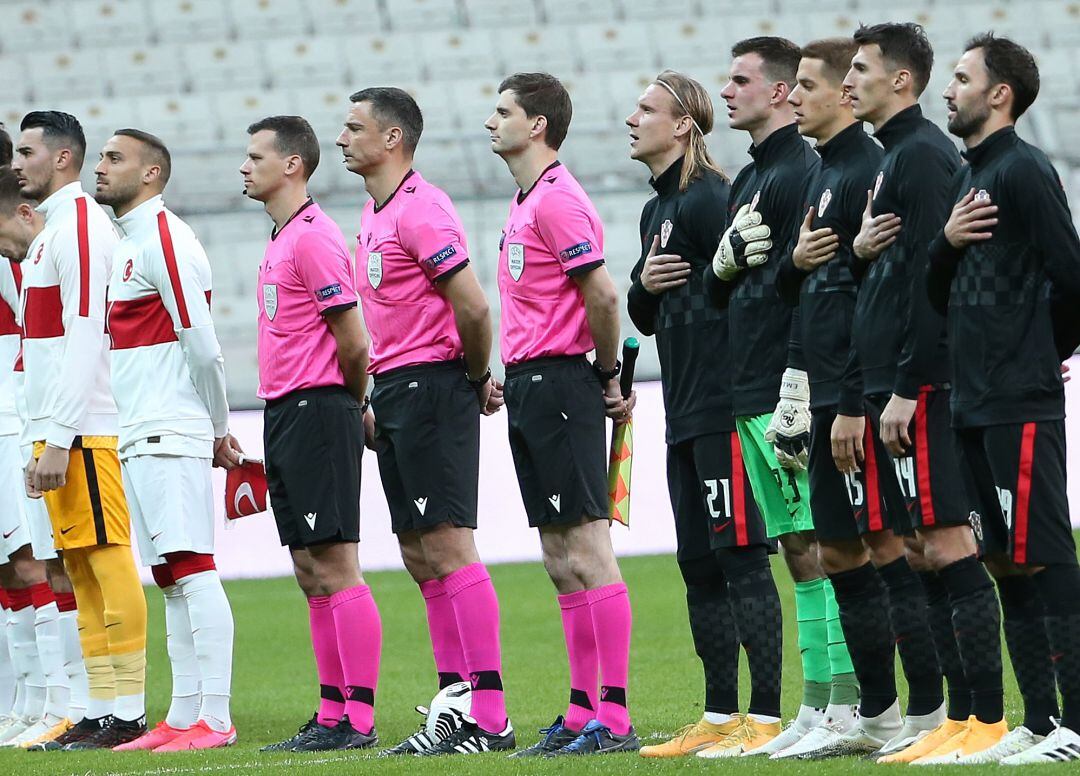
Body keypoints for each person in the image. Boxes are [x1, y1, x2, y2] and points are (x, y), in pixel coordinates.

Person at [769, 38, 947, 758]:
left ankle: (929, 710)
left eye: (807, 85)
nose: (796, 97)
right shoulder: (826, 175)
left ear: (845, 93)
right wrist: (798, 261)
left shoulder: (872, 167)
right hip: (826, 392)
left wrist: (849, 400)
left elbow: (879, 298)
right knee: (840, 549)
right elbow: (807, 286)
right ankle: (876, 712)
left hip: (859, 395)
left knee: (886, 543)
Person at [841, 22, 1008, 763]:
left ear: (900, 79)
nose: (848, 82)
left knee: (946, 541)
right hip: (892, 385)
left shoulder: (923, 157)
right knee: (916, 547)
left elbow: (936, 284)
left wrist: (910, 385)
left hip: (925, 387)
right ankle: (953, 718)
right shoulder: (891, 159)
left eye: (859, 69)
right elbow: (892, 278)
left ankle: (985, 718)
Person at [337, 87, 511, 756]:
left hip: (434, 387)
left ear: (392, 140)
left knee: (449, 545)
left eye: (356, 127)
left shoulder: (422, 209)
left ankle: (489, 716)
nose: (344, 137)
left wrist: (472, 380)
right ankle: (455, 702)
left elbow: (472, 308)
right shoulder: (373, 212)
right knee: (417, 552)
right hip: (398, 389)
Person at [926, 33, 1080, 764]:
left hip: (1019, 397)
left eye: (960, 79)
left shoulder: (1023, 169)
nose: (947, 90)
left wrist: (1042, 352)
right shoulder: (967, 178)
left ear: (1000, 95)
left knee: (1046, 556)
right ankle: (1041, 720)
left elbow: (1072, 274)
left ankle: (1077, 719)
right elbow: (936, 292)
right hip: (971, 400)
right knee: (1005, 562)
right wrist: (946, 243)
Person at [704, 36, 857, 756]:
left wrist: (801, 380)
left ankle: (846, 705)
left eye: (740, 80)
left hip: (783, 385)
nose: (726, 92)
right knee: (796, 548)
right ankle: (817, 705)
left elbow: (815, 285)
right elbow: (717, 291)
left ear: (780, 92)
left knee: (819, 544)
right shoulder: (747, 179)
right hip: (748, 383)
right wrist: (721, 266)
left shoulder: (804, 169)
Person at [623, 70, 781, 760]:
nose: (633, 119)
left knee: (741, 559)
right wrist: (641, 284)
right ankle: (718, 715)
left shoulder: (710, 199)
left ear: (682, 124)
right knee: (698, 564)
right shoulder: (655, 212)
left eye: (646, 109)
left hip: (724, 407)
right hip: (683, 409)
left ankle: (767, 717)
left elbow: (751, 290)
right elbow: (646, 316)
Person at [485, 72, 637, 756]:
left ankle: (618, 715)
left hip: (563, 382)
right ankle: (581, 711)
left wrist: (603, 375)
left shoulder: (558, 200)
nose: (493, 123)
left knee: (588, 547)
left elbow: (603, 298)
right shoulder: (527, 201)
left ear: (537, 124)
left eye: (504, 112)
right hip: (530, 384)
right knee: (556, 553)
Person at [94, 129, 238, 751]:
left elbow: (201, 342)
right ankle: (183, 716)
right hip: (139, 430)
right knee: (170, 576)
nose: (100, 167)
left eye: (114, 159)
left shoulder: (166, 238)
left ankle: (218, 717)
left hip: (169, 426)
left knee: (195, 570)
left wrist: (219, 427)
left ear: (152, 174)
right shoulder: (132, 243)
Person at [241, 115, 381, 752]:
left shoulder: (314, 238)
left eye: (256, 156)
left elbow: (353, 341)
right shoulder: (281, 237)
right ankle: (331, 711)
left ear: (292, 164)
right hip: (284, 411)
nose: (245, 167)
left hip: (320, 408)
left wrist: (350, 406)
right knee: (306, 566)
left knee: (337, 563)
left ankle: (358, 716)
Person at [12, 111, 148, 750]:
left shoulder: (84, 228)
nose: (17, 164)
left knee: (105, 558)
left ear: (61, 158)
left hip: (85, 426)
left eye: (26, 152)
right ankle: (100, 706)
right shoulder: (52, 232)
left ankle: (127, 708)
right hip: (55, 426)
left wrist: (61, 434)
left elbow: (90, 331)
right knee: (78, 567)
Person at [0, 165, 89, 751]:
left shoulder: (27, 246)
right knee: (10, 567)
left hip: (18, 415)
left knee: (34, 561)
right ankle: (27, 702)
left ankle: (62, 700)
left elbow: (36, 333)